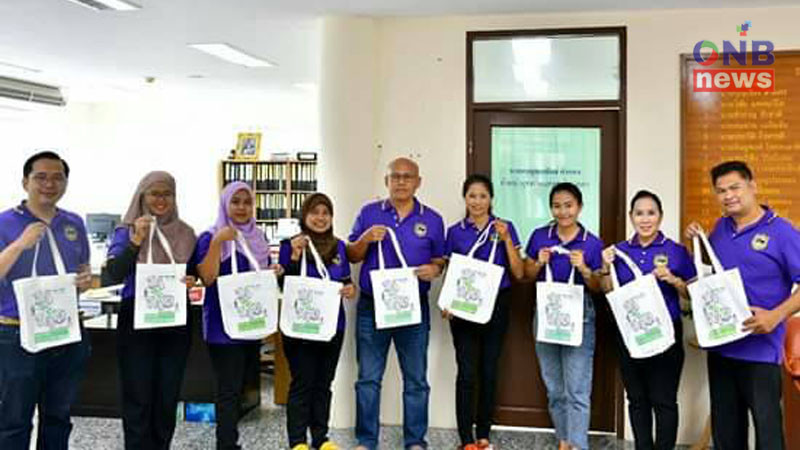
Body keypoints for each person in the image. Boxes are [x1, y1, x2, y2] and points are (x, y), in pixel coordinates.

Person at [685, 161, 800, 450]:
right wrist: (695, 244)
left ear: (753, 186)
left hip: (761, 351)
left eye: (735, 187)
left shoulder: (782, 232)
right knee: (726, 431)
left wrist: (775, 316)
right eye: (721, 191)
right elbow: (713, 274)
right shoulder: (721, 228)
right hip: (723, 346)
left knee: (767, 432)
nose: (728, 195)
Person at [347, 157, 446, 450]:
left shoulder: (432, 219)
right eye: (396, 176)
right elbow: (352, 254)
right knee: (368, 378)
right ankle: (366, 441)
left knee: (416, 379)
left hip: (412, 309)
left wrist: (436, 269)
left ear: (418, 182)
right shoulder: (368, 213)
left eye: (407, 176)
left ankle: (415, 441)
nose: (401, 181)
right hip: (372, 307)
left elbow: (440, 258)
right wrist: (365, 239)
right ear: (386, 181)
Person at [0, 151, 92, 449]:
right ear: (25, 181)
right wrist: (19, 245)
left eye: (57, 177)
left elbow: (82, 269)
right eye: (41, 177)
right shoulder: (5, 222)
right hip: (16, 334)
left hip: (64, 331)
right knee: (14, 419)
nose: (49, 184)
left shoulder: (74, 223)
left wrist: (84, 281)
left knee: (58, 416)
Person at [102, 171, 197, 450]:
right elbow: (113, 275)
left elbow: (192, 273)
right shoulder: (126, 231)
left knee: (167, 394)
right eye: (154, 193)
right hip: (137, 320)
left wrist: (192, 279)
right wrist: (136, 241)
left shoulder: (187, 233)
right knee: (138, 394)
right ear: (142, 196)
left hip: (175, 319)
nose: (161, 200)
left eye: (167, 194)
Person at [599, 190, 695, 450]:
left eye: (651, 213)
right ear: (631, 217)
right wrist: (606, 266)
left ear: (660, 217)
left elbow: (692, 292)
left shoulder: (675, 251)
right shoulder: (617, 251)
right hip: (630, 335)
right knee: (637, 399)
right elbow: (608, 290)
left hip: (666, 335)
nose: (645, 219)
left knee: (664, 400)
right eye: (639, 213)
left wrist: (673, 280)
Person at [192, 181, 282, 450]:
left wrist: (273, 271)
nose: (242, 208)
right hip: (222, 328)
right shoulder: (210, 236)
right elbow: (207, 278)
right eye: (235, 201)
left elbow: (260, 277)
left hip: (249, 325)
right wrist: (219, 242)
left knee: (240, 386)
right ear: (225, 204)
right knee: (228, 391)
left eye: (247, 202)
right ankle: (226, 444)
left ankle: (231, 442)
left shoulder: (258, 236)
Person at [442, 174, 524, 450]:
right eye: (471, 196)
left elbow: (519, 271)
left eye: (483, 196)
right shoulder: (455, 232)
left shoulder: (504, 227)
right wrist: (447, 302)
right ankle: (466, 438)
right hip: (463, 308)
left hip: (496, 305)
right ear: (464, 199)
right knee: (466, 372)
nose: (477, 201)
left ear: (491, 199)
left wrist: (506, 240)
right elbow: (451, 271)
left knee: (489, 370)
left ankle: (484, 435)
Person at [523, 182, 603, 450]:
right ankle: (564, 440)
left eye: (568, 205)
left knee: (577, 390)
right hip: (546, 314)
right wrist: (538, 262)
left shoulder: (592, 242)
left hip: (580, 316)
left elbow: (597, 287)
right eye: (557, 206)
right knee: (555, 387)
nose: (563, 211)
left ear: (579, 207)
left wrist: (585, 269)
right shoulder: (539, 236)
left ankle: (579, 445)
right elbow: (526, 274)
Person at [279, 193, 356, 450]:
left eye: (326, 213)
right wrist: (293, 255)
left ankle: (321, 438)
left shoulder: (340, 246)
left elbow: (344, 280)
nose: (321, 218)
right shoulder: (290, 245)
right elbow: (282, 284)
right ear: (304, 215)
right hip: (300, 328)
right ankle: (298, 441)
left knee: (324, 384)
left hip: (333, 326)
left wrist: (349, 288)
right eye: (315, 212)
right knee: (303, 383)